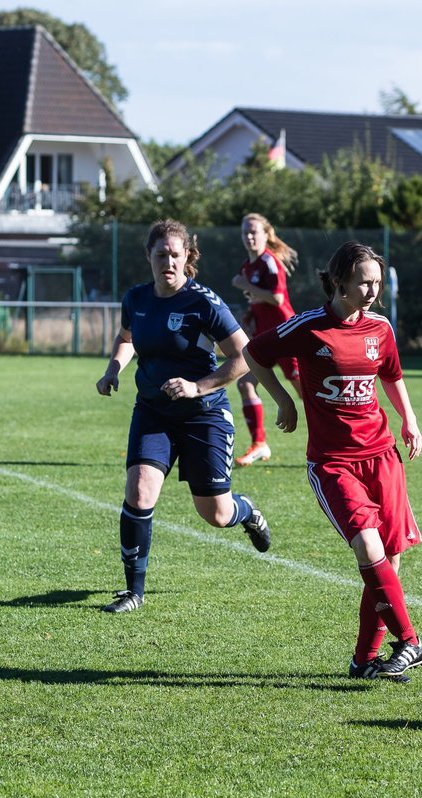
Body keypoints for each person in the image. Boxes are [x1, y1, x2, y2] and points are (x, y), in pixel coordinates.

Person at [243, 241, 422, 680]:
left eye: (377, 282)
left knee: (388, 562)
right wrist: (285, 402)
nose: (372, 290)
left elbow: (392, 375)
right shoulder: (308, 326)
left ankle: (365, 660)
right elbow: (254, 354)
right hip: (333, 462)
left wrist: (409, 420)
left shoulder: (380, 328)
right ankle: (412, 642)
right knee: (368, 546)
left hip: (382, 455)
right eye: (365, 281)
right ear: (340, 280)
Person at [95, 219, 271, 614]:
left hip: (203, 416)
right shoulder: (136, 299)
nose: (168, 262)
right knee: (139, 491)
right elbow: (127, 339)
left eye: (176, 255)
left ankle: (248, 511)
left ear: (188, 257)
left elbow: (247, 355)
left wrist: (199, 386)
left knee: (216, 513)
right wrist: (112, 370)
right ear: (149, 257)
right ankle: (132, 591)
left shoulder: (203, 302)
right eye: (161, 255)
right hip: (153, 411)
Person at [229, 213, 301, 467]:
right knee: (246, 383)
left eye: (254, 232)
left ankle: (335, 443)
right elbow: (259, 303)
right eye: (245, 232)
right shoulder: (247, 267)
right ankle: (259, 443)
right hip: (265, 339)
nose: (249, 236)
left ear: (265, 234)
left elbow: (278, 299)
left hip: (286, 335)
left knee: (307, 394)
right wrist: (248, 317)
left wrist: (245, 284)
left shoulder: (270, 262)